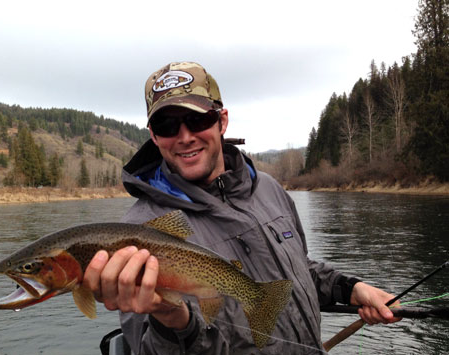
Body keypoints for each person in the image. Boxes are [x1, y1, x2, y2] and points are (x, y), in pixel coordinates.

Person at [83, 62, 400, 354]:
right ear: (153, 136)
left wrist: (352, 289)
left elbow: (298, 268)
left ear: (221, 121)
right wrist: (172, 319)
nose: (185, 136)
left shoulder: (268, 188)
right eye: (167, 126)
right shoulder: (135, 236)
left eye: (197, 119)